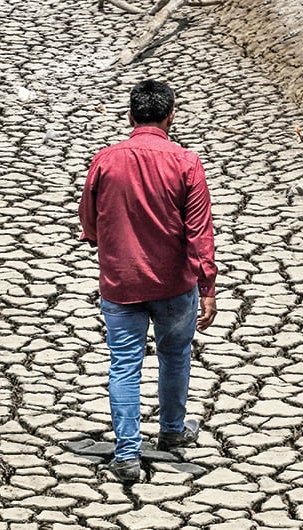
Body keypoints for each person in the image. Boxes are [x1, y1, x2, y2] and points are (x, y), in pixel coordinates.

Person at [78, 79, 217, 482]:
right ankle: (172, 431)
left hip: (121, 284)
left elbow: (89, 218)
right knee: (175, 355)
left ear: (130, 116)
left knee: (124, 365)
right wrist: (205, 286)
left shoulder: (105, 160)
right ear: (170, 116)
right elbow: (199, 231)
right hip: (174, 285)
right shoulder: (186, 162)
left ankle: (126, 454)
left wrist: (104, 242)